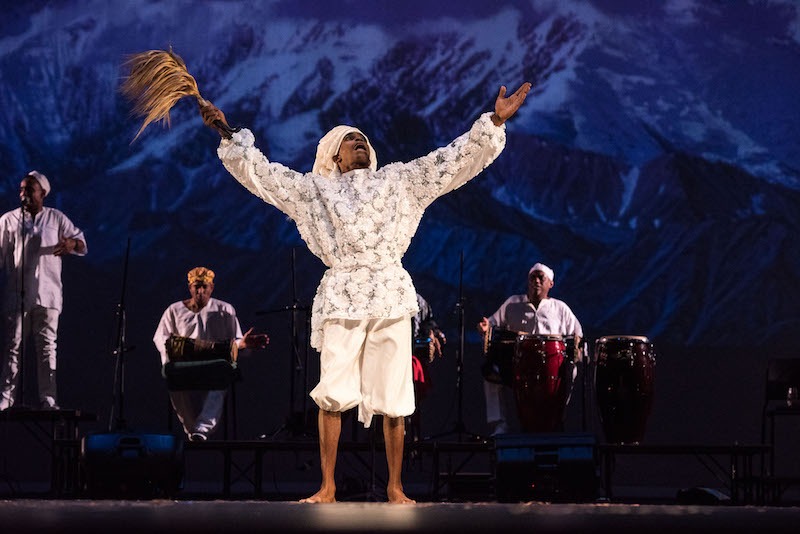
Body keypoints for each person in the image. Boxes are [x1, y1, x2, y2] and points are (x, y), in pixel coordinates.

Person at [200, 81, 531, 503]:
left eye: (362, 140)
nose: (359, 143)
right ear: (333, 155)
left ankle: (395, 487)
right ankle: (327, 486)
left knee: (394, 395)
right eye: (349, 140)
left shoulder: (398, 180)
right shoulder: (314, 191)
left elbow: (450, 161)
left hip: (390, 295)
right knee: (332, 393)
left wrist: (495, 121)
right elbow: (265, 175)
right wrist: (228, 135)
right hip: (342, 297)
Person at [0, 171, 87, 411]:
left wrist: (71, 243)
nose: (23, 194)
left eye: (28, 190)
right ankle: (6, 398)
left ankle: (48, 399)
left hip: (48, 293)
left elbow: (81, 244)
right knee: (12, 346)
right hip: (16, 293)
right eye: (21, 189)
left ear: (43, 193)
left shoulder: (56, 218)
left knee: (47, 347)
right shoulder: (8, 220)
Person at [153, 267, 268, 441]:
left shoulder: (225, 309)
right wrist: (172, 356)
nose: (200, 291)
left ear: (211, 287)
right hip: (185, 362)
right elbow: (161, 338)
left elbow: (234, 340)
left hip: (213, 363)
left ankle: (202, 428)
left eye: (204, 286)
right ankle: (192, 429)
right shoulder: (174, 310)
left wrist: (243, 343)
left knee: (221, 377)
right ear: (190, 287)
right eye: (196, 286)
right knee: (173, 378)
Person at [477, 263, 582, 435]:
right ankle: (499, 424)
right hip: (520, 365)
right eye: (533, 277)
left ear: (551, 284)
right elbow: (491, 324)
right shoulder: (512, 304)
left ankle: (557, 419)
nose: (537, 281)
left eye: (542, 277)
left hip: (550, 367)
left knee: (572, 370)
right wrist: (485, 327)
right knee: (490, 371)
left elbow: (577, 336)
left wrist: (578, 352)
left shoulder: (560, 308)